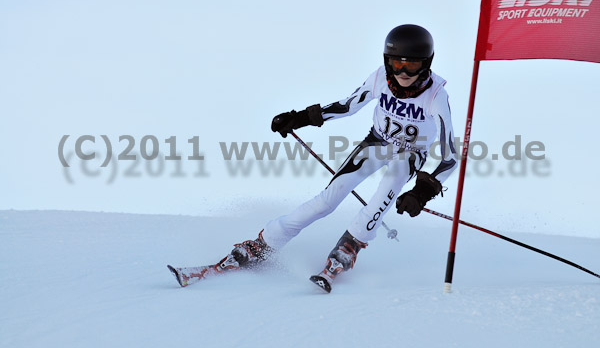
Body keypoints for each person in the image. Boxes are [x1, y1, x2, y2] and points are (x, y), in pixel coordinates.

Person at [169, 25, 459, 292]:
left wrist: (422, 192)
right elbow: (347, 105)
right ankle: (263, 244)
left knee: (389, 186)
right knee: (328, 199)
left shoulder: (435, 96)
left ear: (427, 64)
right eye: (398, 63)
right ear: (388, 61)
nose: (404, 71)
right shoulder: (379, 80)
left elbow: (450, 157)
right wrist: (301, 118)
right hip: (378, 143)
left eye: (413, 64)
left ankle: (350, 246)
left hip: (409, 154)